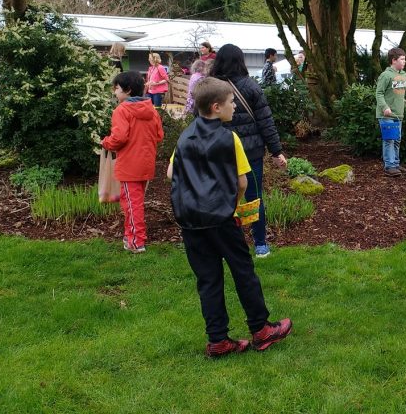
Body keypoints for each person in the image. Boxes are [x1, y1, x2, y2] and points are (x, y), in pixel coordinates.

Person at [168, 77, 292, 357]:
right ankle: (261, 330)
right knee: (243, 271)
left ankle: (218, 340)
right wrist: (232, 203)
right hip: (222, 219)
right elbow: (243, 182)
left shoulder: (185, 137)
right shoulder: (229, 137)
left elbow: (169, 174)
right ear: (216, 107)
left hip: (191, 221)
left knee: (208, 279)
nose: (234, 106)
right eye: (231, 102)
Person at [210, 44, 288, 257]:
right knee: (254, 197)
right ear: (240, 61)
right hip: (250, 152)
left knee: (221, 196)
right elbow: (266, 122)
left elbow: (199, 120)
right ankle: (260, 243)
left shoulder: (210, 88)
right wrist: (276, 151)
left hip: (219, 152)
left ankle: (224, 242)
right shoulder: (251, 86)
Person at [102, 71, 164, 253]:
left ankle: (137, 241)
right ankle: (130, 237)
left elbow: (118, 138)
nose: (115, 92)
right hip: (146, 164)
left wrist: (105, 142)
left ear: (127, 90)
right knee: (134, 202)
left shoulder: (122, 110)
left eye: (117, 88)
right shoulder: (151, 110)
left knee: (131, 204)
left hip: (129, 165)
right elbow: (159, 135)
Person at [375, 47, 406, 177]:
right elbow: (379, 93)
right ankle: (389, 166)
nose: (404, 61)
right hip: (386, 115)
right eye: (402, 59)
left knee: (396, 140)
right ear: (393, 60)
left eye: (405, 59)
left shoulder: (403, 75)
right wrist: (385, 107)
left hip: (398, 114)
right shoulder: (386, 75)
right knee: (389, 139)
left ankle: (395, 164)